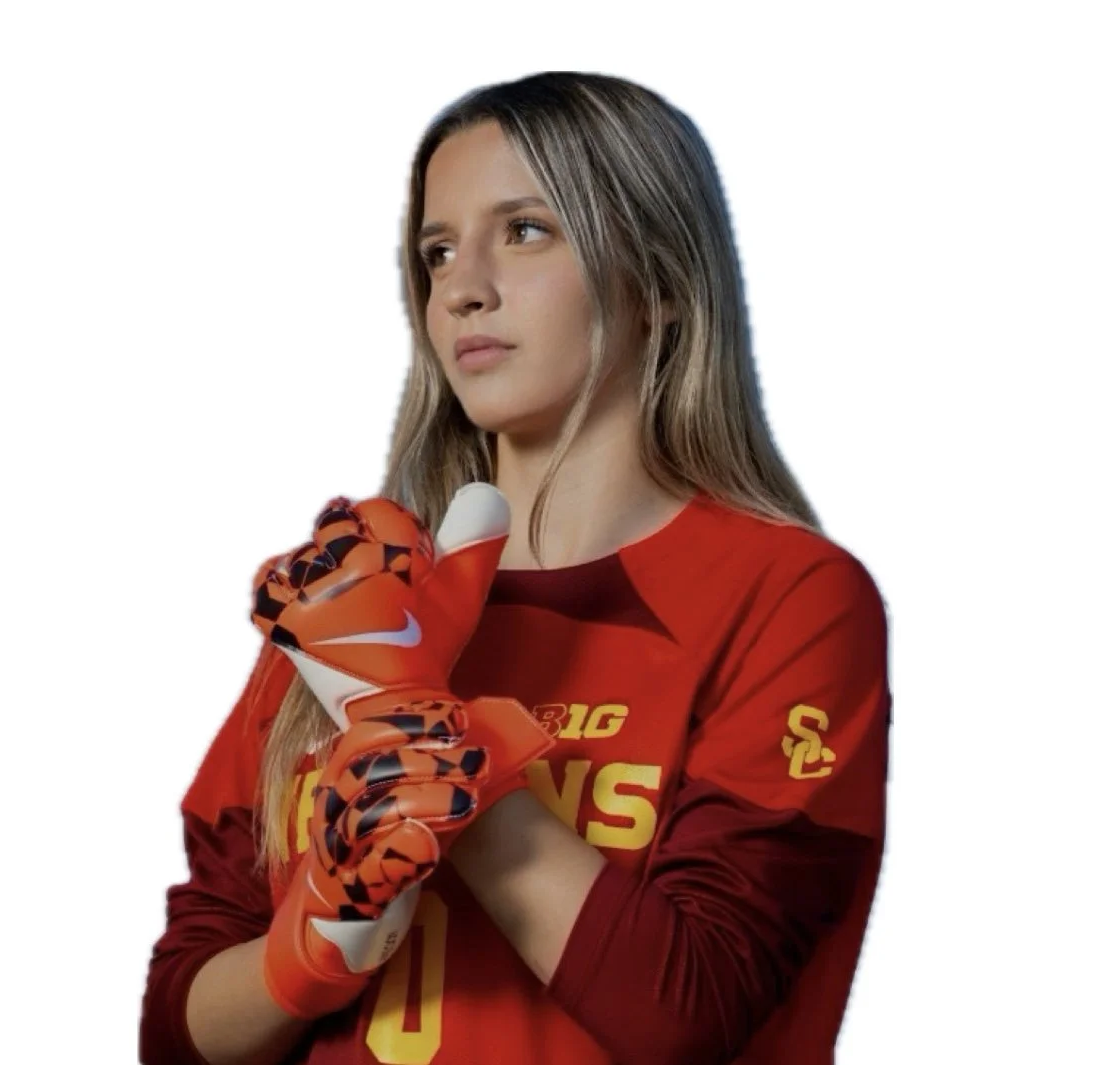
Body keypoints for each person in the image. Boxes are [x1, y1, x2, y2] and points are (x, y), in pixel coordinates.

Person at [139, 70, 892, 1065]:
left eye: (526, 230)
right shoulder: (357, 601)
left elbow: (696, 1012)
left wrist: (425, 749)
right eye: (437, 251)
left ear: (662, 283)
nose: (462, 285)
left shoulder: (789, 596)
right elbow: (174, 1030)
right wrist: (304, 957)